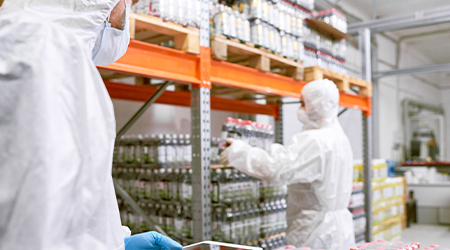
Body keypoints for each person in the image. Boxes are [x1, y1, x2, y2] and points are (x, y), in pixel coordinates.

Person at [0, 0, 182, 250]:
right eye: (129, 3)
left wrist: (115, 241)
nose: (127, 12)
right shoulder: (40, 55)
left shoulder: (37, 47)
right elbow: (32, 235)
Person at [219, 79, 355, 250]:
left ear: (317, 106)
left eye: (303, 103)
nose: (300, 109)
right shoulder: (338, 138)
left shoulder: (315, 140)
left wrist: (238, 152)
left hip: (316, 231)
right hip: (338, 228)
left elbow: (277, 170)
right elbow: (293, 162)